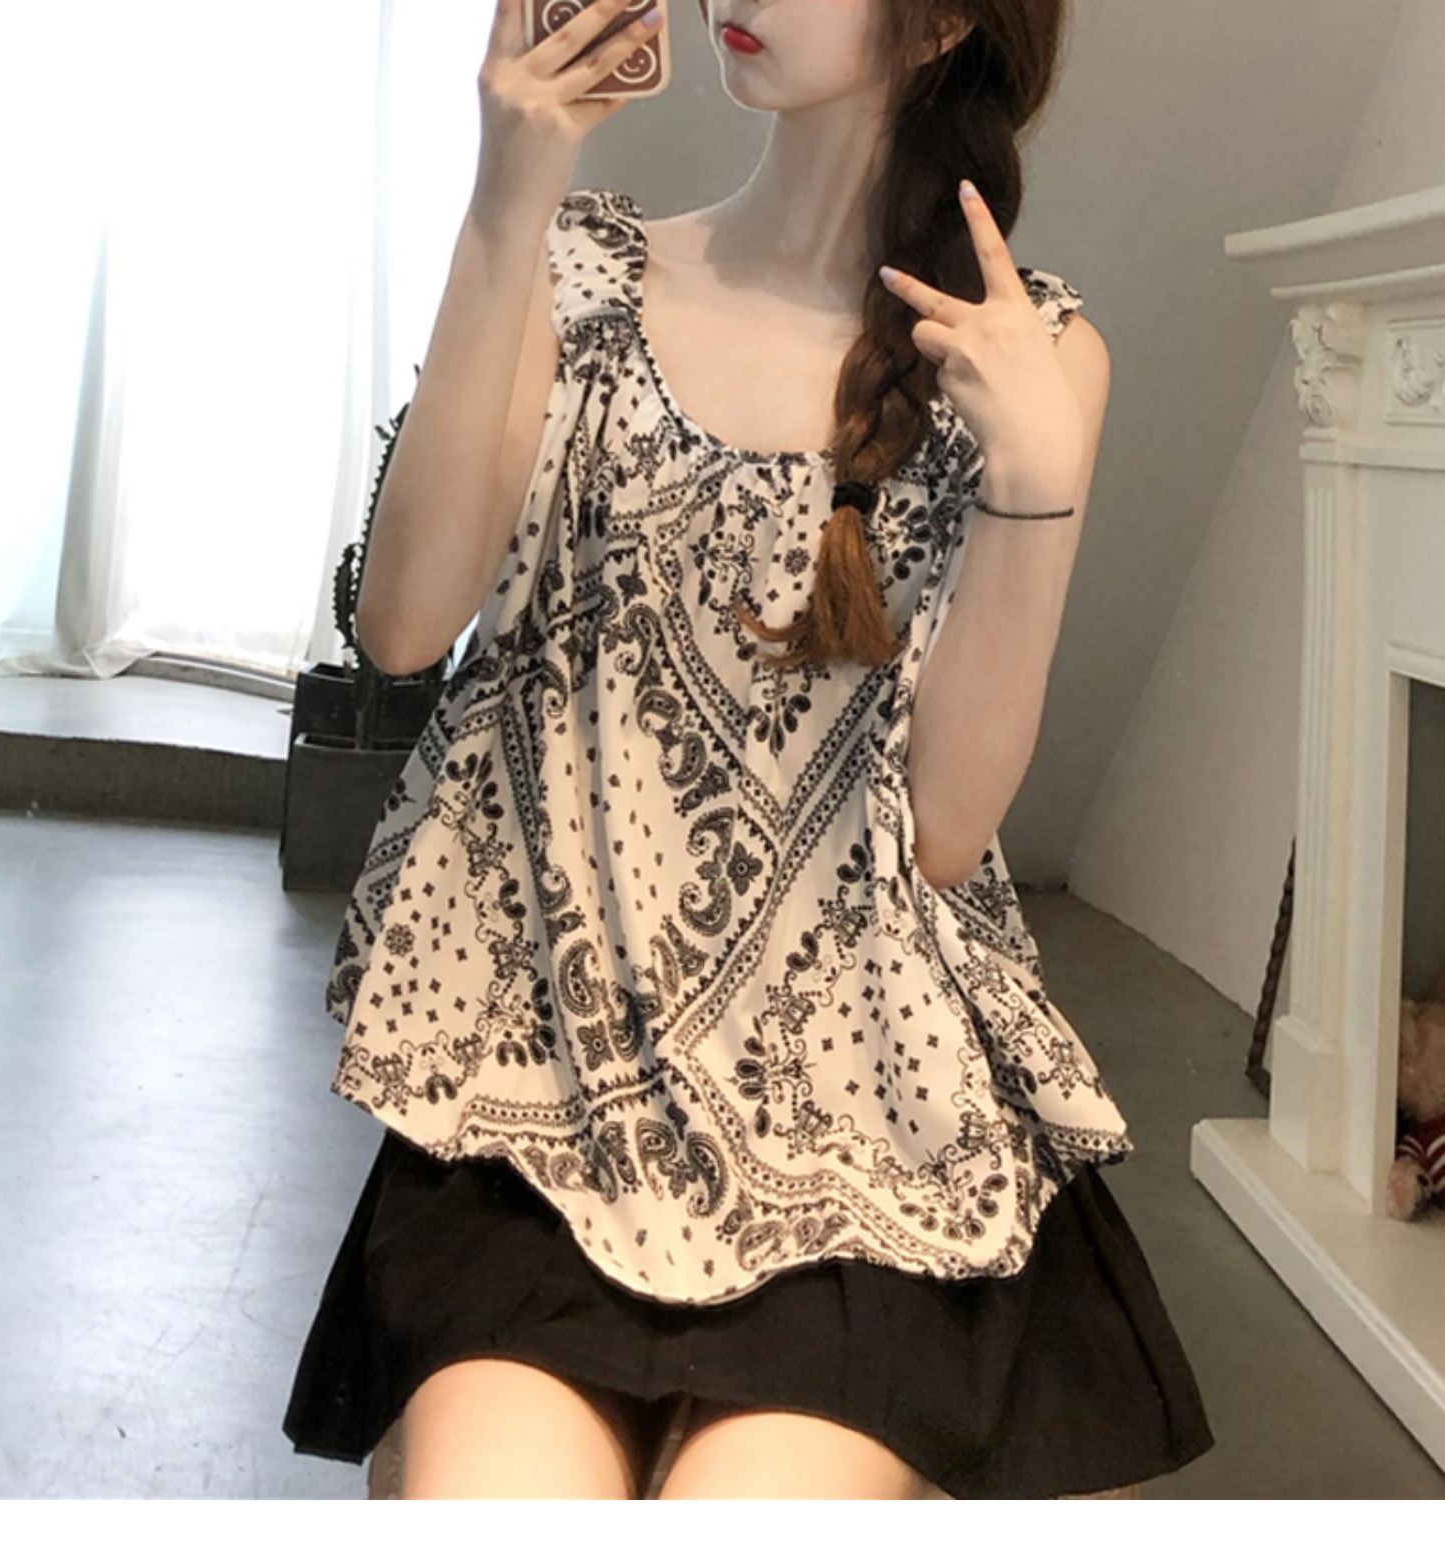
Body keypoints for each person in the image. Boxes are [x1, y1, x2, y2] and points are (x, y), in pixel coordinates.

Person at [282, 0, 1216, 1498]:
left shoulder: (1032, 360)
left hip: (862, 1122)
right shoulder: (579, 269)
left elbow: (946, 831)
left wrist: (1034, 481)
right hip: (542, 1084)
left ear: (945, 21)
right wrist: (508, 193)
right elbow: (401, 625)